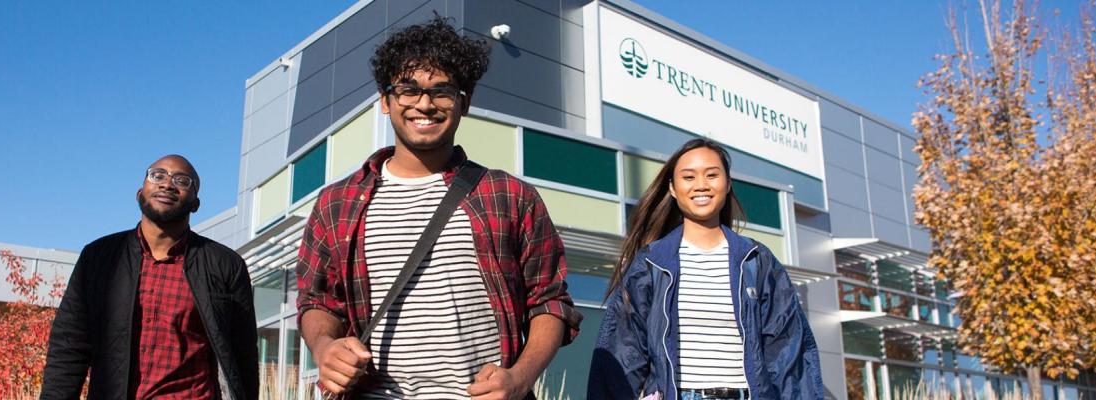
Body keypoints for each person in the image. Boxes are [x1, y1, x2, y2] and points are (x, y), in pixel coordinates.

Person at [294, 16, 581, 400]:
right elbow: (317, 300)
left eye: (441, 90)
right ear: (385, 100)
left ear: (465, 102)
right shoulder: (336, 204)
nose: (424, 104)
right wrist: (324, 347)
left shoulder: (509, 196)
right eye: (408, 90)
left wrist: (521, 378)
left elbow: (550, 302)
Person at [588, 139, 824, 400]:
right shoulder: (651, 265)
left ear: (728, 183)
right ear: (673, 189)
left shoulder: (756, 261)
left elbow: (788, 354)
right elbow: (622, 354)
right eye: (688, 177)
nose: (701, 185)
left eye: (712, 175)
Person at [41, 155, 258, 400]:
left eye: (182, 181)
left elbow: (243, 358)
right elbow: (69, 346)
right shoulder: (98, 258)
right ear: (139, 193)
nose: (167, 184)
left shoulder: (225, 265)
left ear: (195, 204)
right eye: (157, 175)